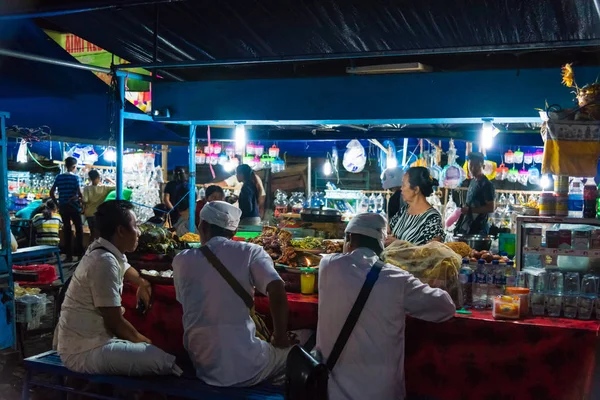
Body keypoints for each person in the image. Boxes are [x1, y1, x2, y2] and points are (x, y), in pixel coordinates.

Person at [315, 213, 455, 400]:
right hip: (381, 393)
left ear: (349, 238)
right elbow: (445, 307)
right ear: (382, 244)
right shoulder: (398, 279)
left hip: (332, 393)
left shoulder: (328, 266)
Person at [56, 200, 181, 376]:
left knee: (158, 355)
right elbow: (115, 322)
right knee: (164, 361)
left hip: (94, 341)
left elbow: (126, 268)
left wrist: (143, 283)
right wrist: (145, 343)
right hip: (85, 350)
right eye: (135, 226)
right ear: (121, 231)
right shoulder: (104, 261)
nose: (139, 232)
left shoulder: (103, 249)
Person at [173, 201, 290, 387]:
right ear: (234, 232)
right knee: (297, 354)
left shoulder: (181, 260)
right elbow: (276, 287)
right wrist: (280, 336)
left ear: (201, 226)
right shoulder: (250, 251)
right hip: (245, 365)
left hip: (202, 364)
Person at [388, 167, 444, 245]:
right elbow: (388, 230)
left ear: (416, 190)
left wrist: (399, 244)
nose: (401, 189)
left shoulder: (432, 218)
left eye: (404, 185)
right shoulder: (403, 211)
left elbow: (432, 253)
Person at [50, 157, 83, 262]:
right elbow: (80, 194)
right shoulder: (75, 178)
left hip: (63, 207)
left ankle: (68, 256)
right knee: (79, 229)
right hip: (74, 207)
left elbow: (51, 192)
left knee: (67, 230)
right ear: (74, 167)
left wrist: (58, 204)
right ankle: (79, 255)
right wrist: (78, 198)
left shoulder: (59, 177)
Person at [455, 152, 496, 235]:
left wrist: (470, 210)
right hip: (469, 227)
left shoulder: (486, 184)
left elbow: (491, 207)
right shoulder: (473, 181)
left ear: (483, 166)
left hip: (480, 229)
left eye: (476, 165)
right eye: (471, 165)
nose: (473, 168)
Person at [83, 169, 115, 240]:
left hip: (89, 213)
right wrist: (110, 180)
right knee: (99, 234)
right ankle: (96, 248)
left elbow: (85, 200)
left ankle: (90, 248)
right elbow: (118, 187)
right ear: (98, 178)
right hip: (98, 213)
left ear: (90, 178)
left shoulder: (86, 188)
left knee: (92, 233)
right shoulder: (104, 188)